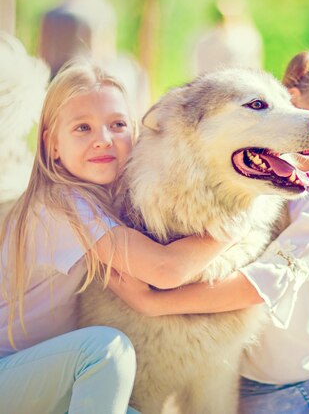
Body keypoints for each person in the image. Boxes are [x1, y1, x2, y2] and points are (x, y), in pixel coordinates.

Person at [109, 51, 309, 414]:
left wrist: (155, 302)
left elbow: (260, 284)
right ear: (296, 103)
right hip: (260, 397)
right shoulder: (261, 183)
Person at [0, 60, 231, 414]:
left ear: (136, 131)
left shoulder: (106, 201)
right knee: (107, 350)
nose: (103, 140)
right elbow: (164, 270)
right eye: (82, 128)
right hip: (9, 372)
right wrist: (236, 224)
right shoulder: (62, 205)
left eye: (118, 124)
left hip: (42, 374)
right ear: (53, 144)